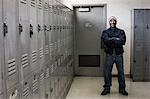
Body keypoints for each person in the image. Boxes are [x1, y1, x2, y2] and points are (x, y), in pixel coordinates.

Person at [101, 16, 128, 96]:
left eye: (114, 20)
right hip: (109, 55)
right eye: (111, 20)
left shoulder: (121, 31)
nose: (112, 22)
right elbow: (105, 40)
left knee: (121, 72)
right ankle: (107, 88)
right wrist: (116, 39)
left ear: (116, 22)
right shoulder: (105, 32)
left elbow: (122, 41)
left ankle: (122, 89)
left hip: (119, 55)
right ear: (109, 22)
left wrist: (111, 40)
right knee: (107, 72)